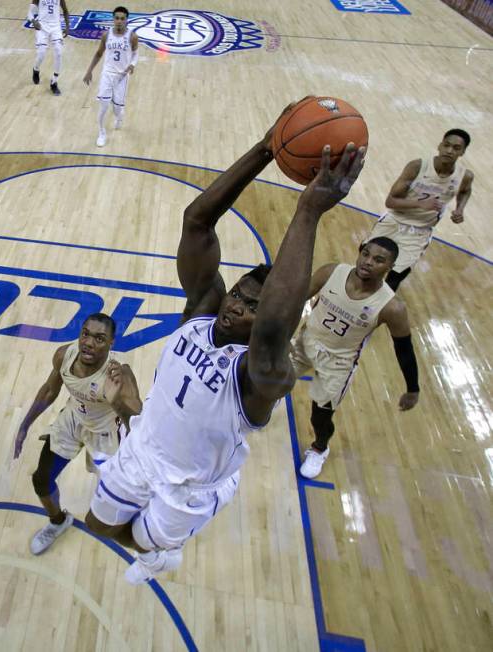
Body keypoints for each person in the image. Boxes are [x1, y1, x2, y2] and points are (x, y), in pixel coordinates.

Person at [84, 101, 367, 584]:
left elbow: (278, 324)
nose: (237, 304)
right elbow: (196, 222)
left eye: (253, 306)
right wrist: (265, 148)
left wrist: (309, 210)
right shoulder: (201, 312)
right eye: (238, 293)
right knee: (98, 526)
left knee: (147, 543)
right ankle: (154, 546)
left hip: (191, 487)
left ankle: (159, 554)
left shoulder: (260, 374)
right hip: (141, 450)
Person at [292, 237, 420, 479]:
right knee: (270, 380)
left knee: (320, 416)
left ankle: (320, 448)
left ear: (390, 268)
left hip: (338, 363)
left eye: (378, 260)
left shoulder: (392, 307)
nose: (368, 262)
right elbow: (297, 299)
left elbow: (404, 348)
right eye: (366, 254)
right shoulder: (332, 272)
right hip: (305, 341)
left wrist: (412, 388)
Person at [13, 314, 142, 555]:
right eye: (85, 334)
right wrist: (25, 425)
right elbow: (50, 390)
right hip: (73, 420)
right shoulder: (65, 354)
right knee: (41, 479)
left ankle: (144, 534)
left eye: (99, 338)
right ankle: (58, 521)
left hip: (107, 436)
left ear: (111, 343)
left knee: (116, 498)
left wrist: (117, 401)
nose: (89, 343)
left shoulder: (119, 375)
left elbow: (139, 423)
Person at [369, 129, 474, 291]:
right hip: (394, 221)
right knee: (368, 267)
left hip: (420, 231)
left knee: (395, 279)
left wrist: (460, 209)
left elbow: (465, 190)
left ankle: (375, 311)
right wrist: (419, 203)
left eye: (456, 148)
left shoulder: (464, 176)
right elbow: (390, 201)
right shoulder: (418, 166)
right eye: (446, 145)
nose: (449, 151)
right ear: (439, 145)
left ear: (463, 152)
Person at [82, 6, 139, 147]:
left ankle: (120, 117)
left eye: (122, 18)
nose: (119, 21)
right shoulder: (106, 35)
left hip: (122, 76)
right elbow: (98, 54)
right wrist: (89, 71)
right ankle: (101, 133)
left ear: (126, 20)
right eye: (117, 18)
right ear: (113, 19)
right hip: (107, 74)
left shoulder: (132, 36)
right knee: (104, 106)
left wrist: (132, 64)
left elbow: (136, 53)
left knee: (117, 109)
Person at [28, 0, 70, 95]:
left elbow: (65, 11)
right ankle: (36, 69)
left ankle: (54, 82)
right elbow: (30, 13)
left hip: (56, 26)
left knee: (58, 52)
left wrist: (68, 27)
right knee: (41, 53)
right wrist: (34, 21)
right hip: (42, 26)